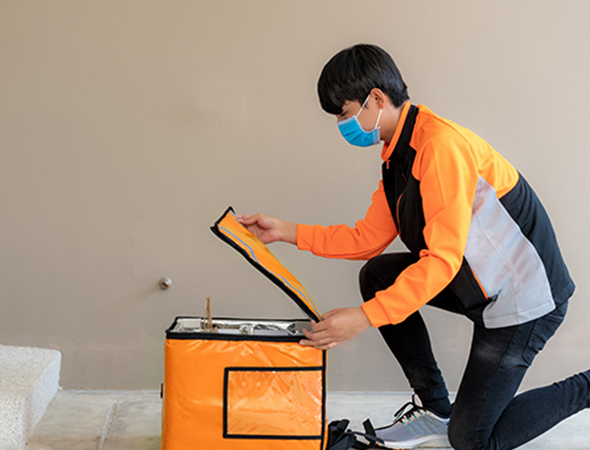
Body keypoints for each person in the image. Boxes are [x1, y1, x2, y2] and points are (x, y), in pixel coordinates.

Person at [237, 44, 590, 450]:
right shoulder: (397, 155)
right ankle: (436, 409)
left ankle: (587, 387)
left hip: (524, 301)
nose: (341, 123)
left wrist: (365, 318)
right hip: (478, 281)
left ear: (376, 99)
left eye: (343, 112)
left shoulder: (440, 147)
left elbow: (440, 260)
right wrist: (285, 231)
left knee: (472, 441)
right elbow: (367, 238)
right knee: (377, 275)